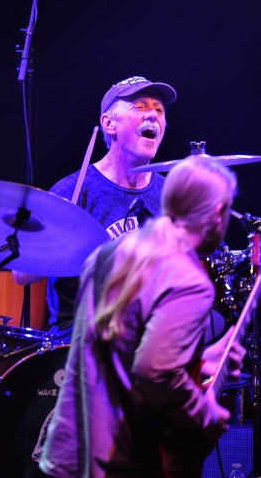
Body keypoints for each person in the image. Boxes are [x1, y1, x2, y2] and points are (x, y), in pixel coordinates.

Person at [39, 153, 248, 478]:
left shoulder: (110, 252)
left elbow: (120, 351)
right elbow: (154, 371)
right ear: (218, 212)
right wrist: (205, 412)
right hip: (124, 461)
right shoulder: (189, 280)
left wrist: (200, 357)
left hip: (72, 453)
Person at [13, 75, 177, 336]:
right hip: (81, 339)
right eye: (140, 107)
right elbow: (21, 275)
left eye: (159, 109)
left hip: (151, 336)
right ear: (109, 123)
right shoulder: (72, 191)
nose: (153, 116)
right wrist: (58, 240)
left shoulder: (170, 195)